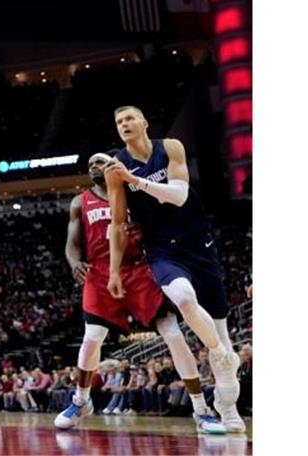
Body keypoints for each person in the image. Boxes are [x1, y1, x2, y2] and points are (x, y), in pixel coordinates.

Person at [54, 153, 226, 434]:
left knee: (172, 332)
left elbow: (162, 226)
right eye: (90, 166)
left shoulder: (134, 193)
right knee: (92, 338)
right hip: (99, 273)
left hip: (139, 269)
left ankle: (201, 410)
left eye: (99, 162)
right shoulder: (79, 201)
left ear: (113, 165)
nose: (94, 168)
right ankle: (81, 401)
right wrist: (75, 264)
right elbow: (72, 243)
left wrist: (143, 230)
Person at [104, 106, 244, 433]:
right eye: (119, 122)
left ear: (144, 122)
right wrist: (113, 271)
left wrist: (134, 180)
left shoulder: (170, 147)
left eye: (129, 119)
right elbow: (118, 223)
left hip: (198, 243)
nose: (124, 124)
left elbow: (180, 196)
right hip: (162, 249)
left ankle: (228, 408)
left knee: (219, 330)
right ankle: (222, 354)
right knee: (182, 297)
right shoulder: (116, 169)